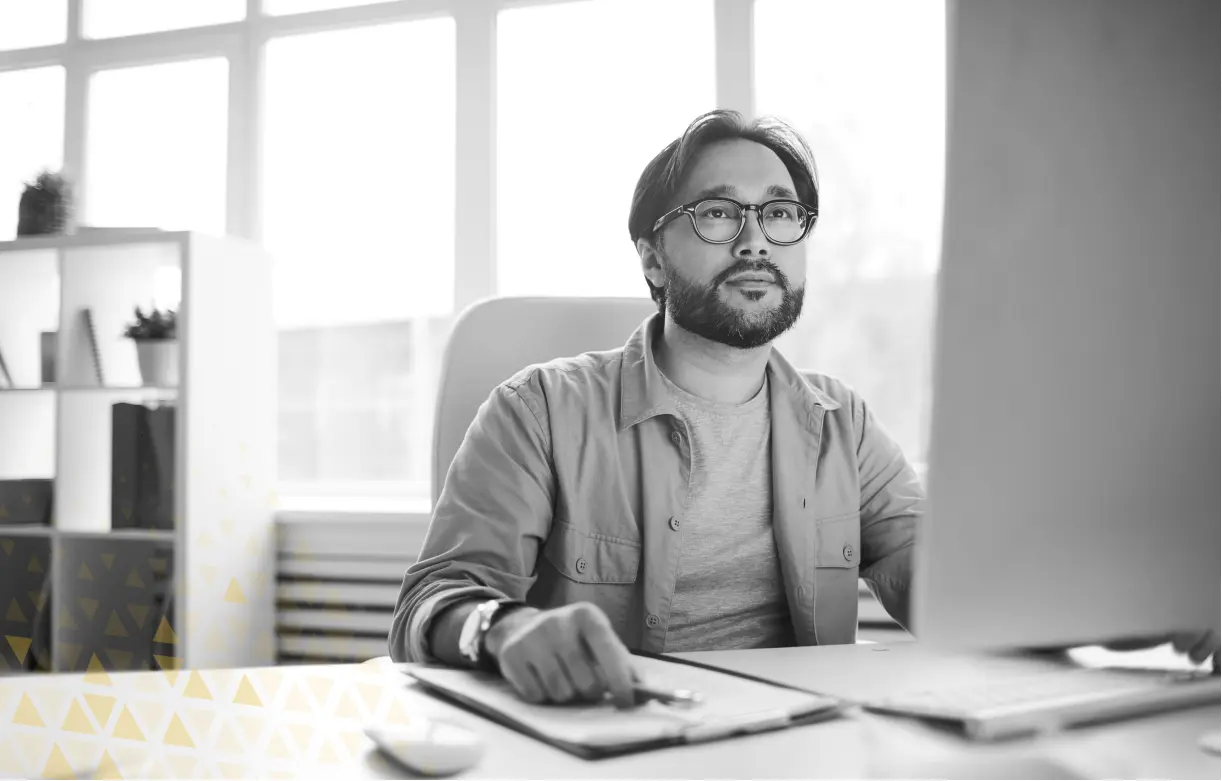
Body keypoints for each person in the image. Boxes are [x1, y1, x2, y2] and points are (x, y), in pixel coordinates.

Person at [388, 110, 1218, 706]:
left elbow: (949, 579)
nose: (755, 240)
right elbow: (433, 600)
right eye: (718, 212)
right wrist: (500, 630)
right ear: (650, 254)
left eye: (781, 214)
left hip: (803, 751)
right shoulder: (539, 407)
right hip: (612, 748)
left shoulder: (841, 425)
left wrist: (1126, 606)